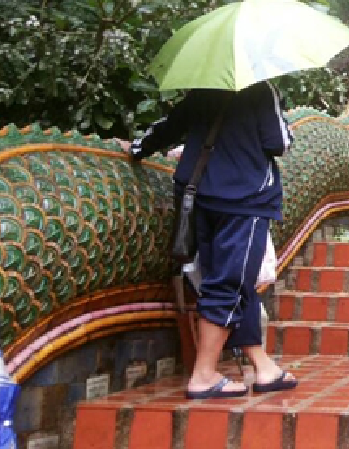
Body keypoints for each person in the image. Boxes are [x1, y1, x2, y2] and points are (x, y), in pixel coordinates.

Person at [123, 81, 296, 399]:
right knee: (228, 284)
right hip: (244, 202)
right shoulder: (261, 90)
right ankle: (203, 375)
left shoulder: (203, 89)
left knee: (233, 281)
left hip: (200, 198)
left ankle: (264, 367)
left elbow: (171, 126)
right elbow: (279, 143)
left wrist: (137, 149)